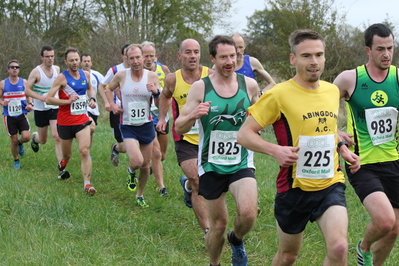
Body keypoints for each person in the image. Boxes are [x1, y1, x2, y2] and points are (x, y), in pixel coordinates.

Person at [237, 29, 360, 266]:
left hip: (330, 182)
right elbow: (243, 135)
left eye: (319, 55)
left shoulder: (332, 91)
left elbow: (326, 127)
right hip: (293, 187)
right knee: (288, 256)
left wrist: (342, 147)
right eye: (306, 56)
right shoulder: (278, 94)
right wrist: (274, 150)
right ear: (293, 59)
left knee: (339, 247)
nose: (314, 62)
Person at [175, 35, 259, 266]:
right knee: (218, 225)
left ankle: (237, 239)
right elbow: (179, 126)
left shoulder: (249, 85)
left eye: (233, 56)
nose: (229, 61)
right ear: (213, 59)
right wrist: (193, 114)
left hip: (241, 161)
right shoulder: (201, 87)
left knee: (249, 213)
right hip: (211, 164)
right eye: (223, 57)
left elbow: (262, 116)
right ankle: (215, 263)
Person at [334, 23, 399, 266]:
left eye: (390, 48)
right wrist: (337, 133)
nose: (386, 54)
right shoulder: (350, 78)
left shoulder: (397, 77)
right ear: (368, 50)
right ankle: (364, 246)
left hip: (394, 160)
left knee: (393, 231)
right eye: (380, 49)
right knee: (384, 221)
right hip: (362, 162)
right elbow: (321, 108)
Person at [156, 38, 212, 233]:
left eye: (196, 52)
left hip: (210, 138)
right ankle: (208, 230)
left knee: (211, 181)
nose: (193, 56)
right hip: (185, 136)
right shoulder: (173, 79)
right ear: (180, 56)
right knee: (199, 180)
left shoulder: (210, 75)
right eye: (188, 52)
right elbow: (164, 95)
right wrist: (162, 118)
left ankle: (186, 185)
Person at [105, 44, 160, 208]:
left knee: (145, 165)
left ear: (143, 58)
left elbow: (158, 102)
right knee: (136, 161)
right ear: (126, 59)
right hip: (128, 125)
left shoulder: (152, 76)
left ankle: (140, 194)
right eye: (132, 58)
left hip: (146, 124)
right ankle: (130, 173)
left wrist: (156, 92)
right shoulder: (121, 75)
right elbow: (108, 89)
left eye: (138, 57)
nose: (136, 61)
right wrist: (112, 105)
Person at [46, 47, 97, 195]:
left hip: (81, 119)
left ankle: (87, 185)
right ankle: (63, 163)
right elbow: (49, 99)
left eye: (76, 60)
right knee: (67, 155)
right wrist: (67, 101)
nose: (75, 63)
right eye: (71, 60)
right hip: (65, 122)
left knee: (84, 150)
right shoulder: (62, 78)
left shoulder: (85, 74)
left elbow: (89, 89)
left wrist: (92, 99)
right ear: (66, 62)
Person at [141, 41, 170, 197]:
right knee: (157, 153)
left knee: (163, 155)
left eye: (151, 55)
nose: (148, 59)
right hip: (146, 116)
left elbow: (171, 88)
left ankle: (147, 167)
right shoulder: (136, 72)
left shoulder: (163, 69)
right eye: (146, 55)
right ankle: (161, 187)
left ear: (155, 56)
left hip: (163, 114)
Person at [25, 46, 62, 162]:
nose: (50, 59)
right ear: (42, 57)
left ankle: (62, 167)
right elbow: (27, 90)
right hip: (41, 109)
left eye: (52, 56)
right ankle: (35, 139)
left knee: (57, 137)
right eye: (47, 57)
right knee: (43, 139)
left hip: (54, 107)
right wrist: (40, 97)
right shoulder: (36, 72)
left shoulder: (57, 69)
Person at [99, 44, 130, 167]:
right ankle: (116, 148)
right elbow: (102, 86)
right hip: (118, 112)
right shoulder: (115, 70)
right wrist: (108, 103)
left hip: (133, 111)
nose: (130, 57)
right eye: (127, 54)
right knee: (124, 147)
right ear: (122, 56)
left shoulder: (140, 70)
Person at [0, 60, 33, 169]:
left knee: (27, 137)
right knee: (13, 140)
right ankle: (16, 160)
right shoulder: (3, 83)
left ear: (19, 69)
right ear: (8, 69)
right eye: (12, 67)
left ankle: (20, 143)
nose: (15, 69)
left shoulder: (24, 82)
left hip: (22, 114)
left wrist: (30, 104)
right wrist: (2, 102)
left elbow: (29, 95)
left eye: (17, 67)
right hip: (9, 116)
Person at [80, 53, 106, 148]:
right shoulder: (77, 75)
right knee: (91, 126)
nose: (86, 63)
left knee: (91, 131)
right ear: (81, 63)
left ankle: (87, 151)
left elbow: (106, 87)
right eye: (84, 61)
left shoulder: (97, 75)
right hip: (82, 107)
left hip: (93, 107)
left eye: (88, 61)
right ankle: (84, 149)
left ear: (91, 63)